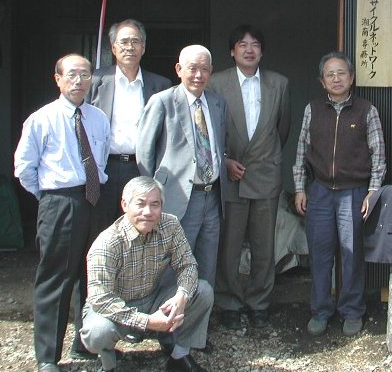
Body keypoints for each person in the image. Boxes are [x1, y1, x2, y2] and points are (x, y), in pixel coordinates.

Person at [14, 54, 110, 372]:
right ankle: (48, 355)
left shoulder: (97, 118)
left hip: (94, 201)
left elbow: (102, 157)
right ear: (57, 79)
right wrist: (50, 199)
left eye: (85, 74)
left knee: (92, 274)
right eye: (72, 74)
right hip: (60, 202)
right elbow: (25, 169)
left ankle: (86, 343)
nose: (79, 80)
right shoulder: (41, 119)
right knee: (56, 279)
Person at [80, 176, 215, 372]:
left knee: (202, 290)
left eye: (155, 204)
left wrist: (182, 295)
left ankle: (179, 356)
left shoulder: (169, 225)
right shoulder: (107, 243)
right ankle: (107, 364)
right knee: (97, 331)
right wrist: (149, 322)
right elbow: (101, 300)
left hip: (152, 298)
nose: (148, 212)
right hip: (115, 306)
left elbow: (188, 265)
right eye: (140, 203)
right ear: (125, 205)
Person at [293, 51, 386, 337]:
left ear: (352, 77)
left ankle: (352, 310)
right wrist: (299, 187)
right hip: (320, 192)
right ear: (322, 81)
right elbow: (300, 152)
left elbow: (378, 155)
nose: (336, 78)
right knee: (320, 255)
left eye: (341, 73)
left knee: (352, 254)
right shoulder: (312, 109)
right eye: (330, 74)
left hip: (354, 193)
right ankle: (321, 310)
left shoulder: (366, 110)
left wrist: (373, 191)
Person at [209, 25, 291, 330]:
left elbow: (282, 129)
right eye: (242, 44)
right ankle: (229, 301)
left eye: (255, 44)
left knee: (264, 245)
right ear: (232, 51)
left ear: (262, 51)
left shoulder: (278, 84)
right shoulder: (216, 83)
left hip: (265, 173)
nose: (249, 49)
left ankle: (259, 302)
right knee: (228, 245)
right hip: (230, 173)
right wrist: (225, 160)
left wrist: (263, 157)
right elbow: (210, 130)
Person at [137, 45, 227, 288]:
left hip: (213, 196)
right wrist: (154, 196)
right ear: (178, 69)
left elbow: (217, 147)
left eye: (204, 69)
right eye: (192, 68)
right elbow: (144, 154)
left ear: (211, 72)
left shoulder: (218, 103)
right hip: (177, 197)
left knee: (207, 264)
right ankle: (171, 323)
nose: (198, 75)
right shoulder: (162, 101)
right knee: (173, 265)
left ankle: (199, 321)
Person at [88, 19, 171, 227]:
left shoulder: (160, 85)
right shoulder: (95, 81)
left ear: (143, 48)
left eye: (135, 41)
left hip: (140, 168)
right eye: (123, 41)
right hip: (103, 168)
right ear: (114, 48)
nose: (129, 47)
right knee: (101, 230)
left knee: (139, 229)